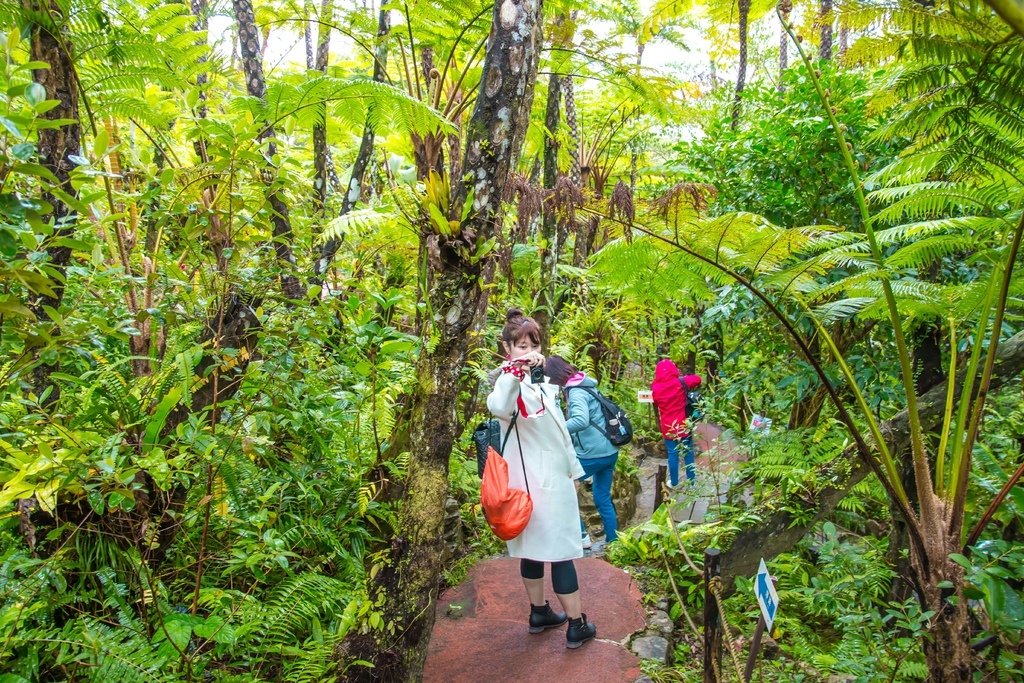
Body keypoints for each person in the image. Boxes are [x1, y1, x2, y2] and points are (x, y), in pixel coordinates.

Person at [486, 308, 598, 649]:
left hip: (550, 481)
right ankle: (576, 624)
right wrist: (512, 373)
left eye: (534, 343)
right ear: (507, 349)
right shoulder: (507, 383)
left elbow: (561, 435)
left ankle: (540, 614)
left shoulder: (544, 383)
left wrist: (575, 473)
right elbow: (497, 407)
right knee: (560, 553)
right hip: (536, 486)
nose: (529, 350)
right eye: (521, 345)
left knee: (533, 553)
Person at [545, 355, 619, 551]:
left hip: (593, 454)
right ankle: (614, 542)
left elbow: (580, 420)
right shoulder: (586, 384)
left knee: (563, 488)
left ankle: (582, 535)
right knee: (602, 497)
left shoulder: (576, 391)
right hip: (609, 450)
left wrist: (554, 429)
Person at [651, 359, 702, 487]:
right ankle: (692, 482)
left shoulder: (656, 388)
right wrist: (683, 377)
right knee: (688, 453)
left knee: (672, 455)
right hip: (683, 425)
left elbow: (656, 401)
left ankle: (674, 482)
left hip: (668, 427)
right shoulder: (681, 382)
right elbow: (698, 379)